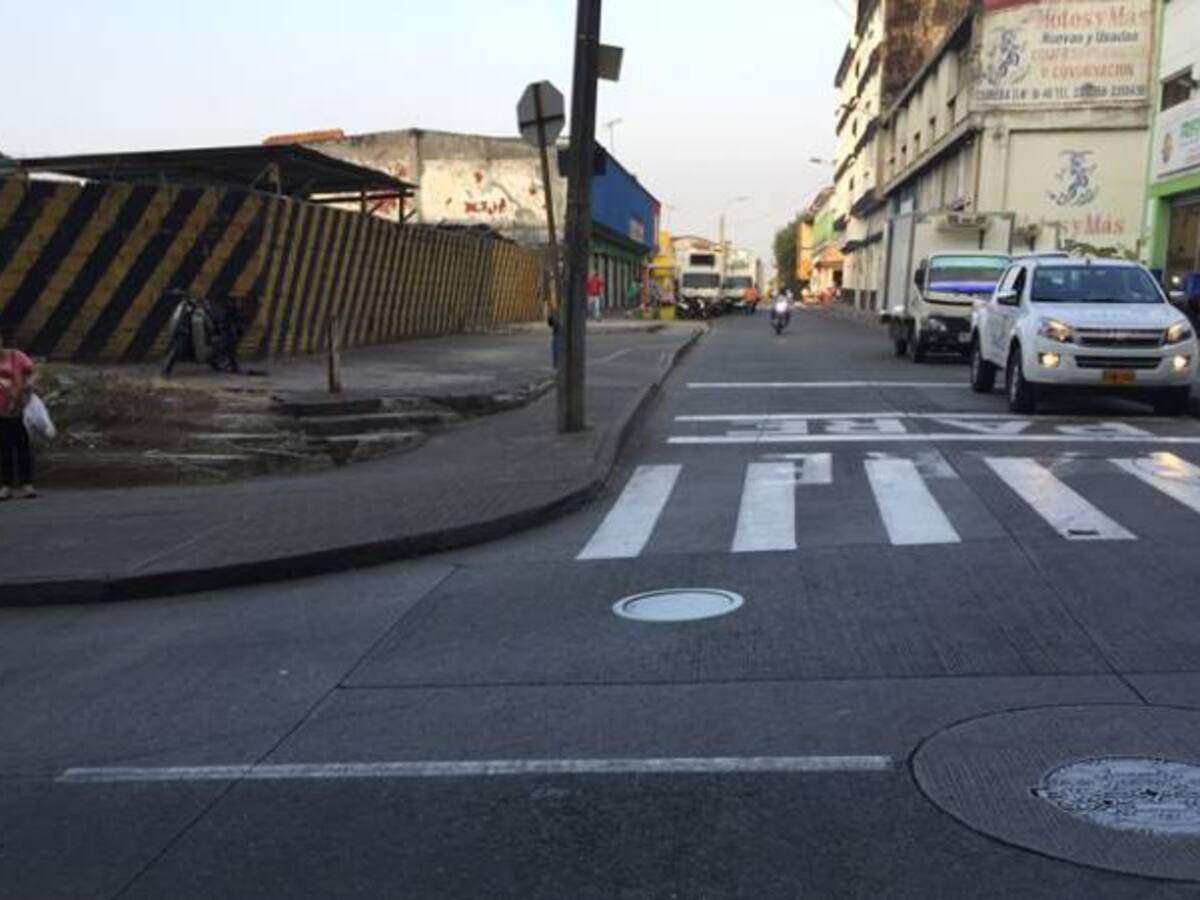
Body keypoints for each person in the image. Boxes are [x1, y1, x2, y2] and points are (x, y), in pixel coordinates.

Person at [0, 331, 37, 500]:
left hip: (17, 409)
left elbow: (32, 373)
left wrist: (27, 385)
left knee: (22, 446)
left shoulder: (16, 356)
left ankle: (26, 484)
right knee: (3, 448)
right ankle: (6, 486)